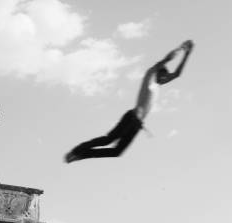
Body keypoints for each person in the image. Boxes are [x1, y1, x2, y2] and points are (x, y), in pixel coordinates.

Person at [64, 40, 194, 162]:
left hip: (137, 124)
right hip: (132, 117)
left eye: (166, 77)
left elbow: (177, 74)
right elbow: (167, 59)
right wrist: (181, 48)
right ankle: (76, 151)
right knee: (108, 140)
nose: (165, 79)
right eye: (164, 76)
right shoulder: (150, 76)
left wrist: (187, 55)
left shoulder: (158, 86)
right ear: (158, 73)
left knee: (117, 152)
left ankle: (80, 155)